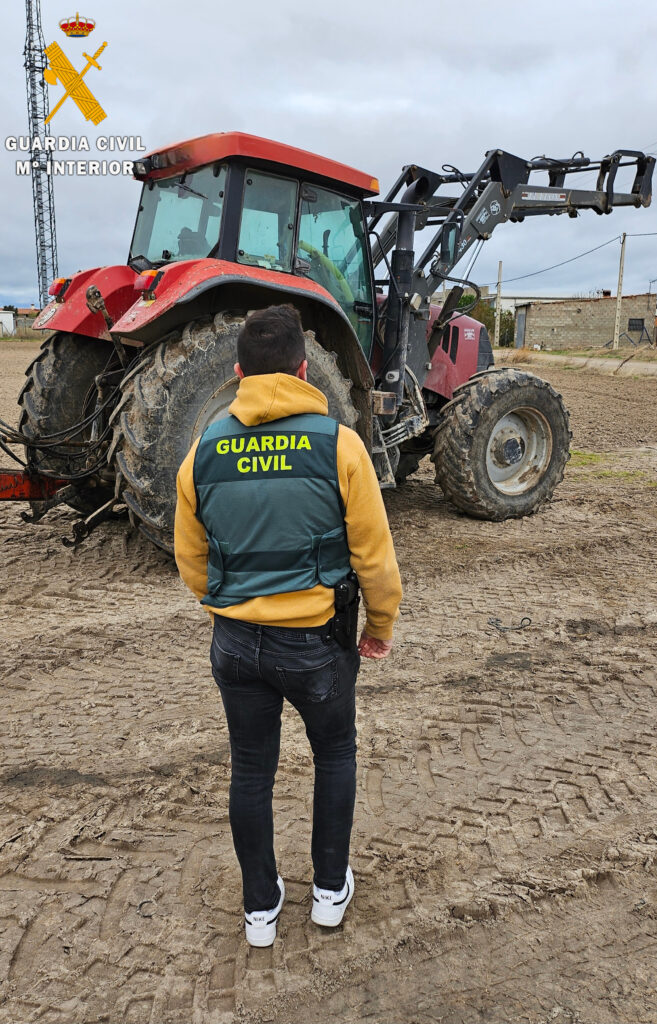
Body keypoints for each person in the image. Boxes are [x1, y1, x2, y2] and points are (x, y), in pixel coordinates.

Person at [174, 305, 402, 948]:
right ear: (304, 371)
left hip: (235, 644)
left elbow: (191, 559)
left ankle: (260, 910)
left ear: (238, 373)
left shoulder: (202, 453)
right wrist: (380, 624)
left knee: (251, 770)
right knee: (334, 755)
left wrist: (229, 607)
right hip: (318, 643)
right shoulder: (341, 445)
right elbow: (375, 557)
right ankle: (329, 892)